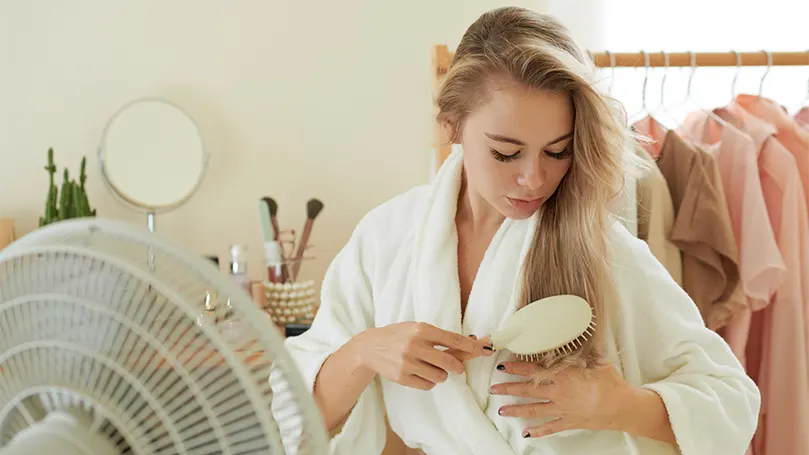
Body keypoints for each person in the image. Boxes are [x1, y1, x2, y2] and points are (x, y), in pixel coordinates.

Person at [280, 6, 760, 455]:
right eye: (506, 152)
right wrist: (363, 353)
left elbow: (732, 402)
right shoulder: (386, 238)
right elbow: (297, 420)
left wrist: (619, 405)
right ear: (451, 125)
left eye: (557, 151)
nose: (534, 178)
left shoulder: (600, 250)